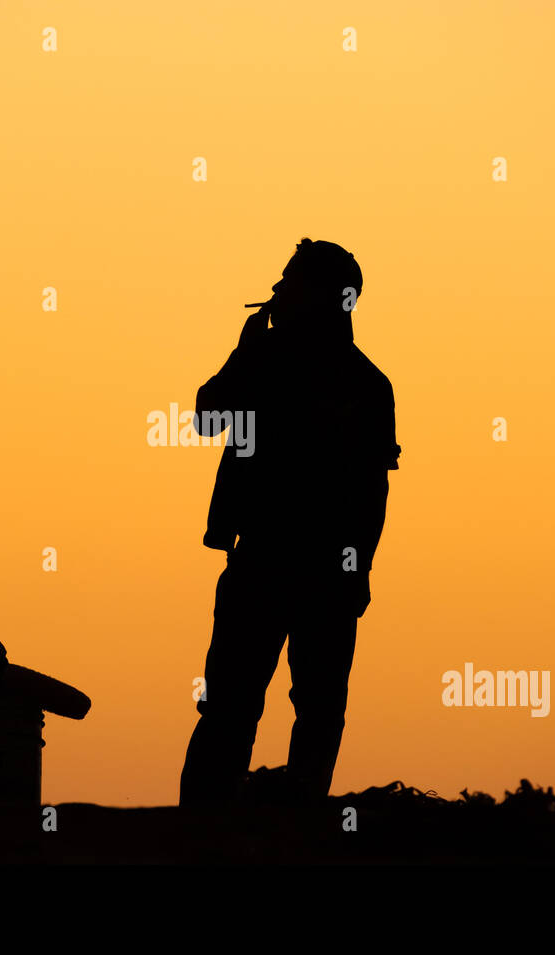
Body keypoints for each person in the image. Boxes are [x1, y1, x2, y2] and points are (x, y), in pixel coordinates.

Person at [179, 238, 400, 806]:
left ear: (329, 298)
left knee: (310, 708)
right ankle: (209, 828)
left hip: (307, 569)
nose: (276, 292)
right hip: (269, 561)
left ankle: (287, 827)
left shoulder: (363, 386)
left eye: (290, 283)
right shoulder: (275, 364)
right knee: (238, 704)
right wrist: (245, 354)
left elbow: (372, 490)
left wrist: (358, 569)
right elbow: (207, 418)